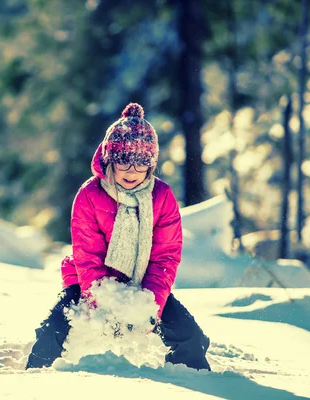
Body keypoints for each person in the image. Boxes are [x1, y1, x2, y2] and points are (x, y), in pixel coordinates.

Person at [26, 102, 211, 371]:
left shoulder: (162, 197)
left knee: (190, 338)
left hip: (144, 284)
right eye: (124, 161)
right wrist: (103, 302)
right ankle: (34, 378)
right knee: (51, 333)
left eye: (142, 163)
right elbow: (87, 256)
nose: (132, 171)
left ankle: (188, 379)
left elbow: (165, 257)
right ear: (109, 160)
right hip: (89, 283)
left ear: (151, 164)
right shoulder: (89, 195)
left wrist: (150, 307)